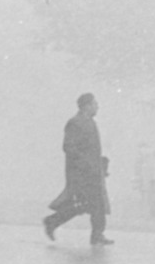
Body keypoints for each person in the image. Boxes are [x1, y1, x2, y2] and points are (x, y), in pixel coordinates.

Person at [44, 92, 113, 245]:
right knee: (83, 204)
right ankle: (52, 222)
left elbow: (89, 149)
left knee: (95, 204)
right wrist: (86, 163)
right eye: (95, 104)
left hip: (92, 171)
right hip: (81, 174)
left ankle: (97, 235)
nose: (97, 107)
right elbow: (69, 147)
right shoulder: (75, 122)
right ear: (86, 106)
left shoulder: (90, 122)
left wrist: (99, 161)